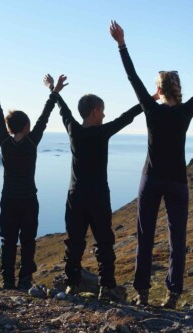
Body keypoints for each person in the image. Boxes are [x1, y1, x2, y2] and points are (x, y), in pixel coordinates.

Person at [109, 21, 193, 308]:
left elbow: (132, 78)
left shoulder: (151, 109)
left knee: (144, 237)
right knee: (176, 239)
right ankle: (172, 295)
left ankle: (142, 294)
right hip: (177, 183)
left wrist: (122, 44)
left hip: (151, 178)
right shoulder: (186, 112)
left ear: (158, 89)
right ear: (178, 89)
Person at [44, 74, 143, 302]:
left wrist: (53, 89)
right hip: (98, 196)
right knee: (104, 242)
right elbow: (126, 118)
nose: (105, 114)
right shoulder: (102, 132)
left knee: (74, 242)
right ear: (96, 111)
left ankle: (72, 286)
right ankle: (107, 287)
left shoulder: (74, 130)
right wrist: (150, 100)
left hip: (76, 195)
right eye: (103, 110)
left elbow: (64, 110)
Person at [0, 73, 68, 290]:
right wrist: (54, 91)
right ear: (25, 127)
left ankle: (7, 281)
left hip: (9, 199)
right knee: (28, 241)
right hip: (29, 199)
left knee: (8, 241)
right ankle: (25, 280)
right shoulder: (31, 142)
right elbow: (45, 116)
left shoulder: (5, 142)